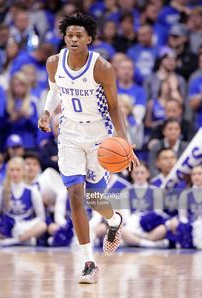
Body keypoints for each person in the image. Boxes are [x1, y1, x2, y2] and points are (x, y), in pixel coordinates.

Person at [38, 13, 139, 284]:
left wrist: (124, 142)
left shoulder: (102, 67)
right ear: (64, 37)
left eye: (79, 35)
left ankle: (114, 219)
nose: (73, 38)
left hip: (99, 136)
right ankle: (89, 263)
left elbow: (115, 107)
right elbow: (55, 90)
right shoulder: (53, 63)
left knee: (94, 199)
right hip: (69, 133)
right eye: (69, 34)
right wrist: (47, 113)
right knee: (74, 194)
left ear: (89, 39)